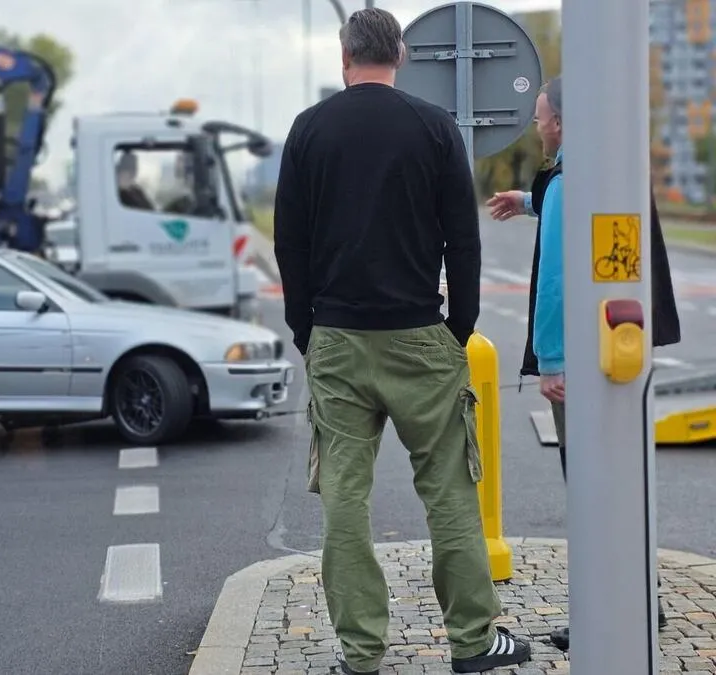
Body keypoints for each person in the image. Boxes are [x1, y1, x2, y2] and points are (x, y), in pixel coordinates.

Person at [273, 8, 531, 674]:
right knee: (449, 490)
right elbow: (463, 240)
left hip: (336, 338)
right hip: (420, 334)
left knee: (344, 499)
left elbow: (289, 242)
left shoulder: (309, 130)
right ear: (403, 55)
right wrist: (460, 328)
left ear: (343, 57)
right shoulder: (434, 128)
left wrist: (306, 327)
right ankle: (472, 641)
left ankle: (360, 653)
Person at [485, 76, 681, 651]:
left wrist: (551, 360)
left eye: (542, 116)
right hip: (622, 354)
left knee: (590, 489)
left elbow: (554, 281)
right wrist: (527, 201)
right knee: (624, 484)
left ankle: (603, 610)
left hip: (579, 361)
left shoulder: (571, 183)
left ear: (563, 122)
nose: (538, 125)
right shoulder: (612, 171)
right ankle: (645, 599)